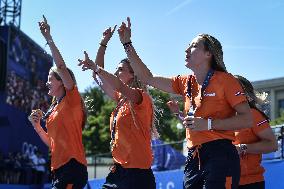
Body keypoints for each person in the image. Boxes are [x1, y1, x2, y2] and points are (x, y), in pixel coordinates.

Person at [117, 17, 253, 189]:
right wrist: (127, 43)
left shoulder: (226, 81)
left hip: (220, 154)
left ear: (208, 54)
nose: (186, 49)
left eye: (194, 46)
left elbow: (247, 119)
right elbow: (146, 78)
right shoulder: (185, 81)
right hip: (193, 157)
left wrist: (209, 124)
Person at [77, 25, 156, 189]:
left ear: (132, 74)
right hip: (119, 171)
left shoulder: (141, 97)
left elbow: (118, 85)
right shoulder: (120, 99)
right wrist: (103, 43)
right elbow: (98, 76)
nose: (115, 71)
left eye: (120, 69)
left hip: (137, 175)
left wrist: (97, 68)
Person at [28, 15, 88, 189]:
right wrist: (37, 126)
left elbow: (61, 67)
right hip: (57, 170)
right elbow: (52, 143)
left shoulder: (72, 99)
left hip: (72, 167)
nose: (47, 82)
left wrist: (48, 38)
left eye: (50, 79)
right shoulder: (54, 109)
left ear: (61, 81)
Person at [234, 75, 277, 189]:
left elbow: (272, 145)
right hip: (225, 182)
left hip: (250, 183)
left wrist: (242, 147)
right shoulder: (223, 117)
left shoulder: (253, 114)